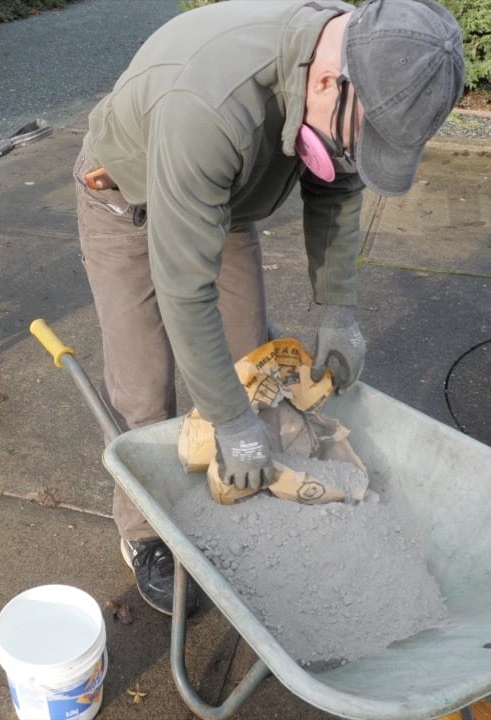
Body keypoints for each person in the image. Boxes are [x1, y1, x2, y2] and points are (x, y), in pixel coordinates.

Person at [73, 0, 464, 614]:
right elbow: (185, 289)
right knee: (144, 385)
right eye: (361, 136)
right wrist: (231, 425)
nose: (358, 150)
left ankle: (245, 471)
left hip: (221, 199)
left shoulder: (357, 55)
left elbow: (336, 192)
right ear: (331, 81)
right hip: (128, 196)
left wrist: (338, 311)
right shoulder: (210, 105)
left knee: (252, 359)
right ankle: (145, 532)